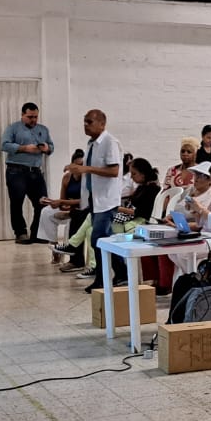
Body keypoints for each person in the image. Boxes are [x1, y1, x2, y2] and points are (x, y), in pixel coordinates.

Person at [67, 110, 125, 291]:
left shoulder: (110, 142)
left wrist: (86, 169)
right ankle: (122, 273)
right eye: (84, 122)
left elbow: (114, 171)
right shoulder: (91, 144)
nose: (86, 125)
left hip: (107, 201)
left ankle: (101, 279)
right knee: (103, 239)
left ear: (102, 124)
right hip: (95, 199)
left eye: (89, 122)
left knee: (97, 239)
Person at [0, 101, 51, 244]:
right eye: (30, 117)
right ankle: (20, 233)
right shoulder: (13, 128)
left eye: (35, 117)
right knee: (17, 203)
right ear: (23, 115)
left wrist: (47, 148)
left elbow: (51, 146)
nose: (33, 120)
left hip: (35, 171)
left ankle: (37, 233)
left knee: (42, 202)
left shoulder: (43, 129)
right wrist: (24, 148)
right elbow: (4, 145)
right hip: (16, 171)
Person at [37, 148, 85, 253]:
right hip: (68, 207)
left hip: (81, 210)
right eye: (75, 166)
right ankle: (54, 245)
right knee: (46, 211)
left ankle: (70, 250)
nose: (78, 169)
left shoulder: (86, 179)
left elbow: (85, 201)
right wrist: (51, 201)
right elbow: (62, 200)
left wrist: (63, 203)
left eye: (80, 166)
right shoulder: (67, 177)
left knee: (73, 218)